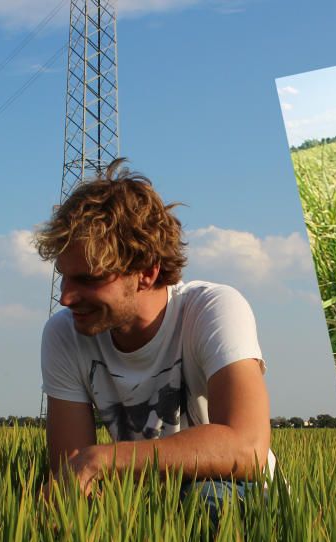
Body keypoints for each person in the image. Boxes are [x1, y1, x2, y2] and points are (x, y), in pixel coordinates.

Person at [35, 158, 273, 502]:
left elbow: (247, 448)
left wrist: (103, 459)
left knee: (204, 497)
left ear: (146, 273)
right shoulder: (64, 334)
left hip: (239, 494)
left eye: (88, 279)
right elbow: (71, 477)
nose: (65, 297)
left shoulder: (213, 309)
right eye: (64, 276)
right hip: (144, 504)